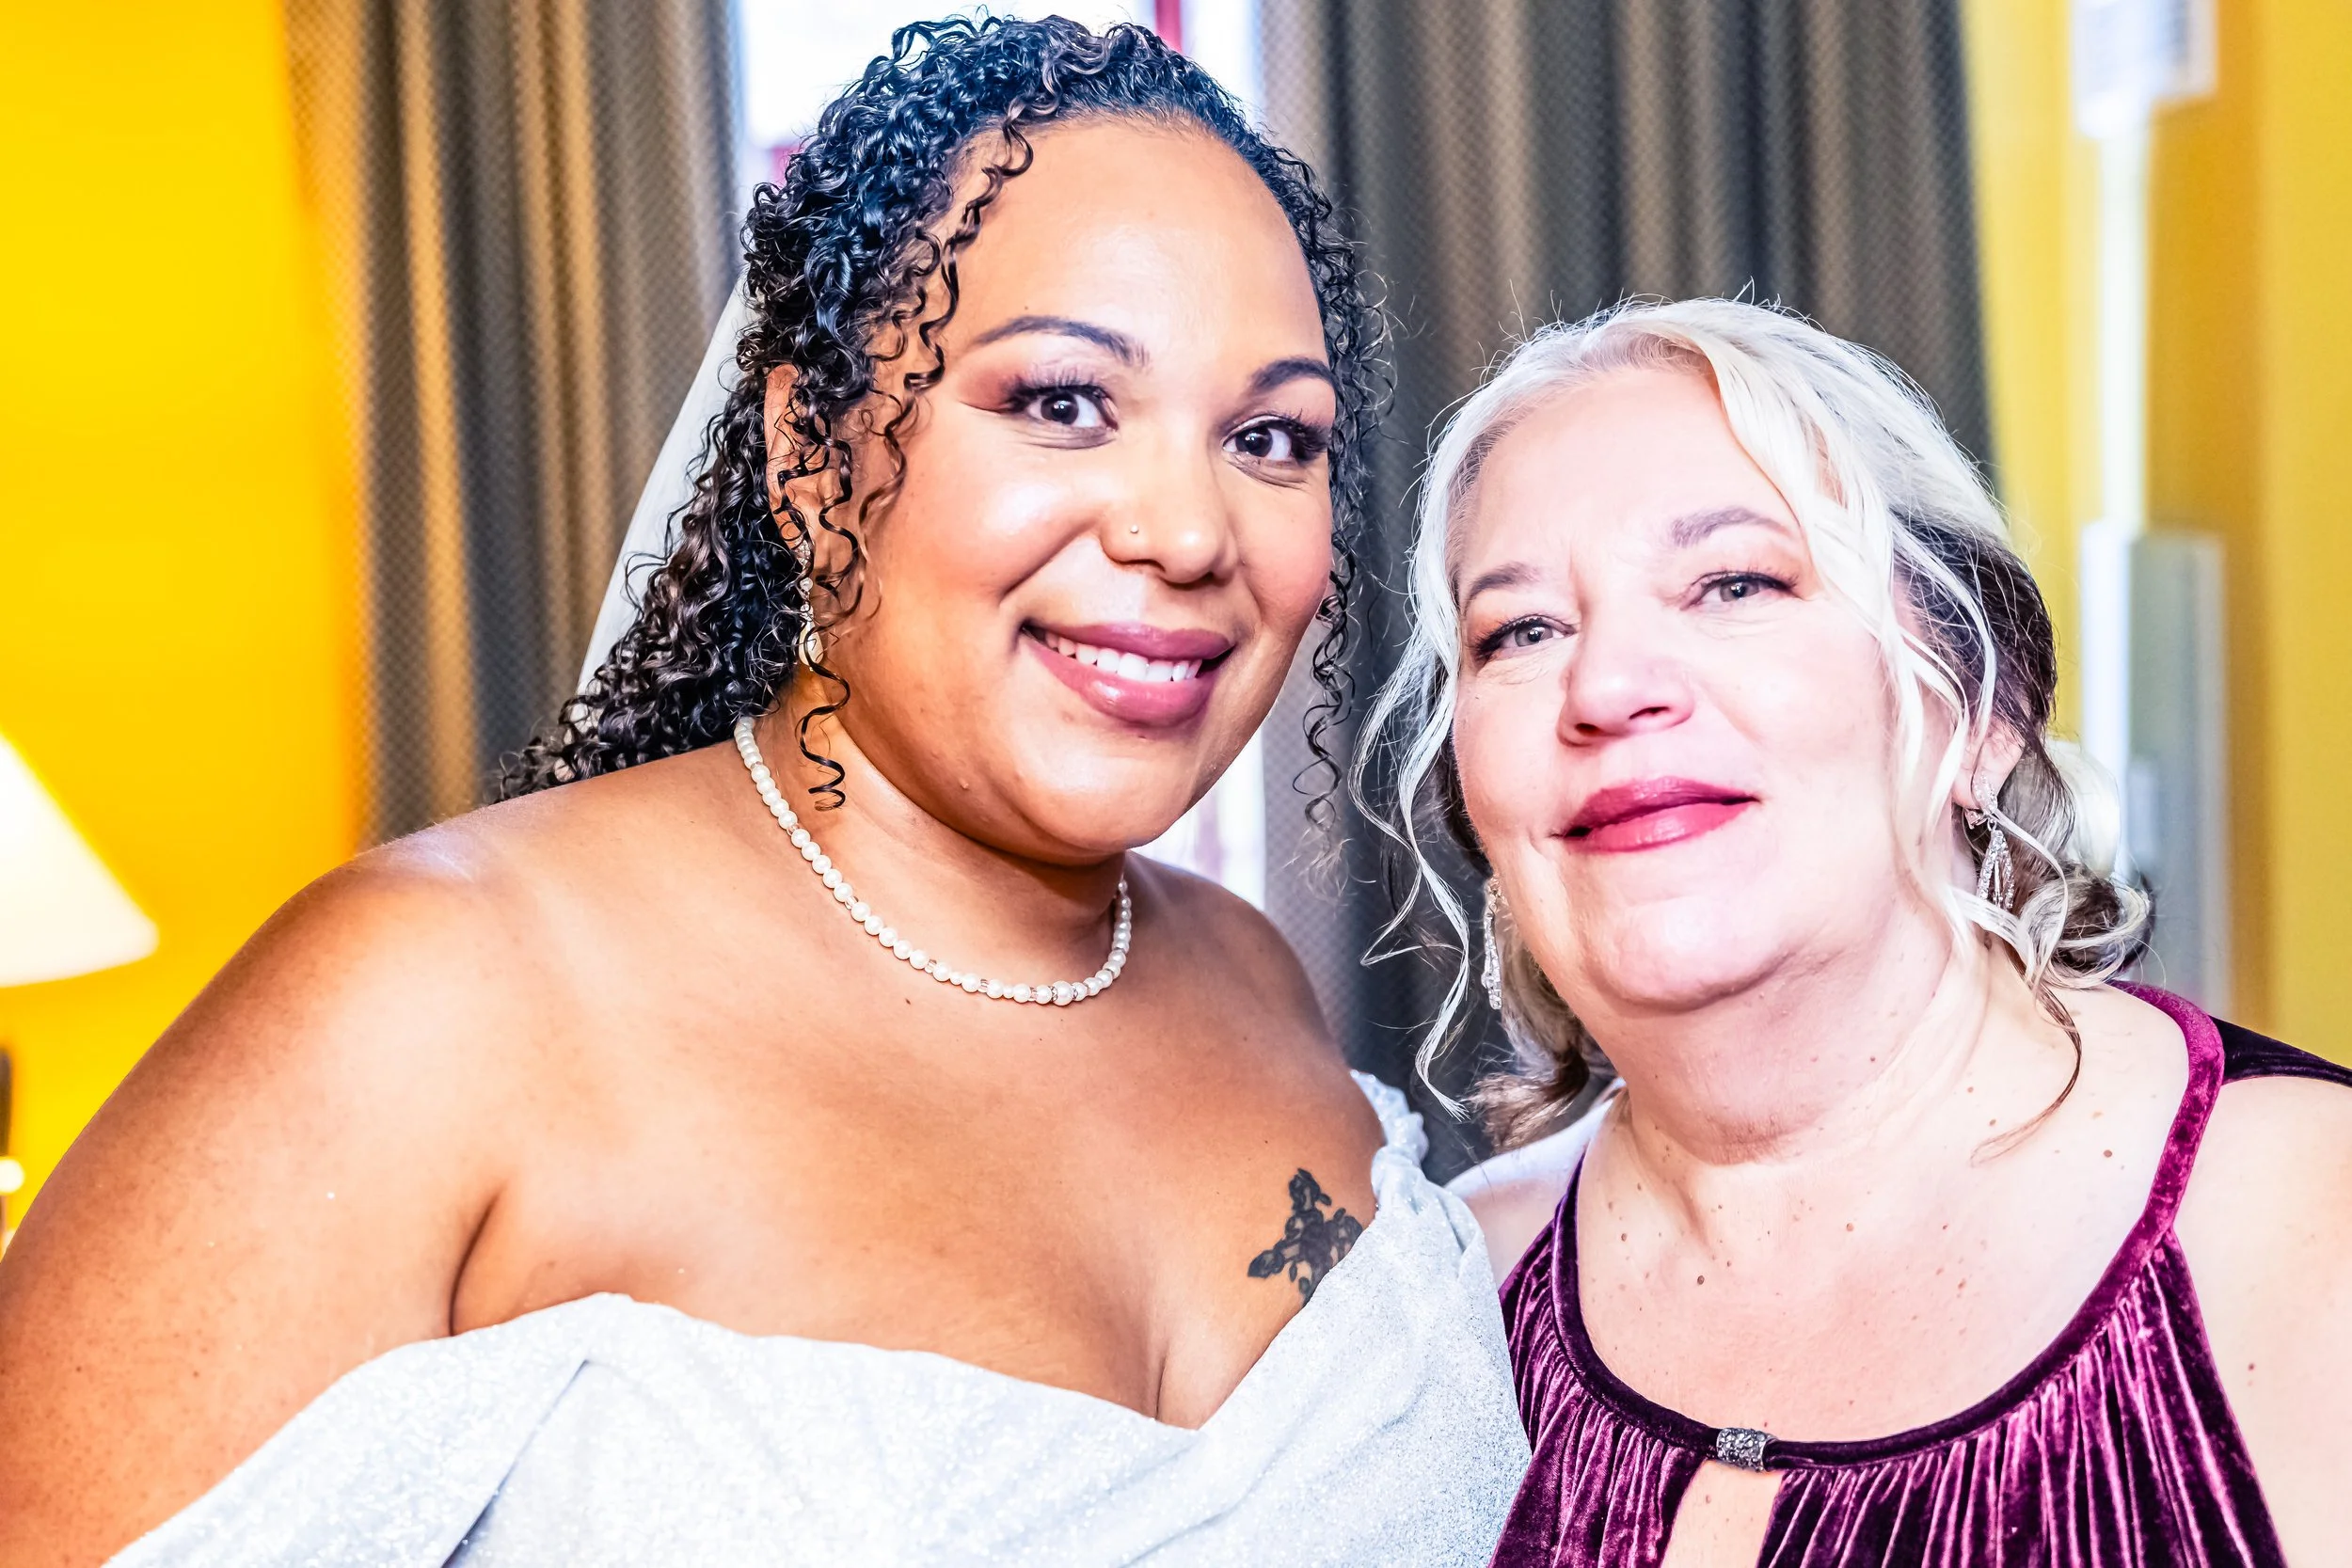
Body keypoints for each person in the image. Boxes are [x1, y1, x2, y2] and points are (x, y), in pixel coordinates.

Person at [0, 21, 1529, 1565]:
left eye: (1271, 437)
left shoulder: (1253, 980)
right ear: (809, 447)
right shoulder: (430, 1001)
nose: (1189, 530)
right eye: (1063, 402)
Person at [1365, 297, 2352, 1566]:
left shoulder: (2312, 1223)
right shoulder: (1455, 1305)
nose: (1608, 687)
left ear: (1977, 706)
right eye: (1522, 631)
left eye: (1732, 581)